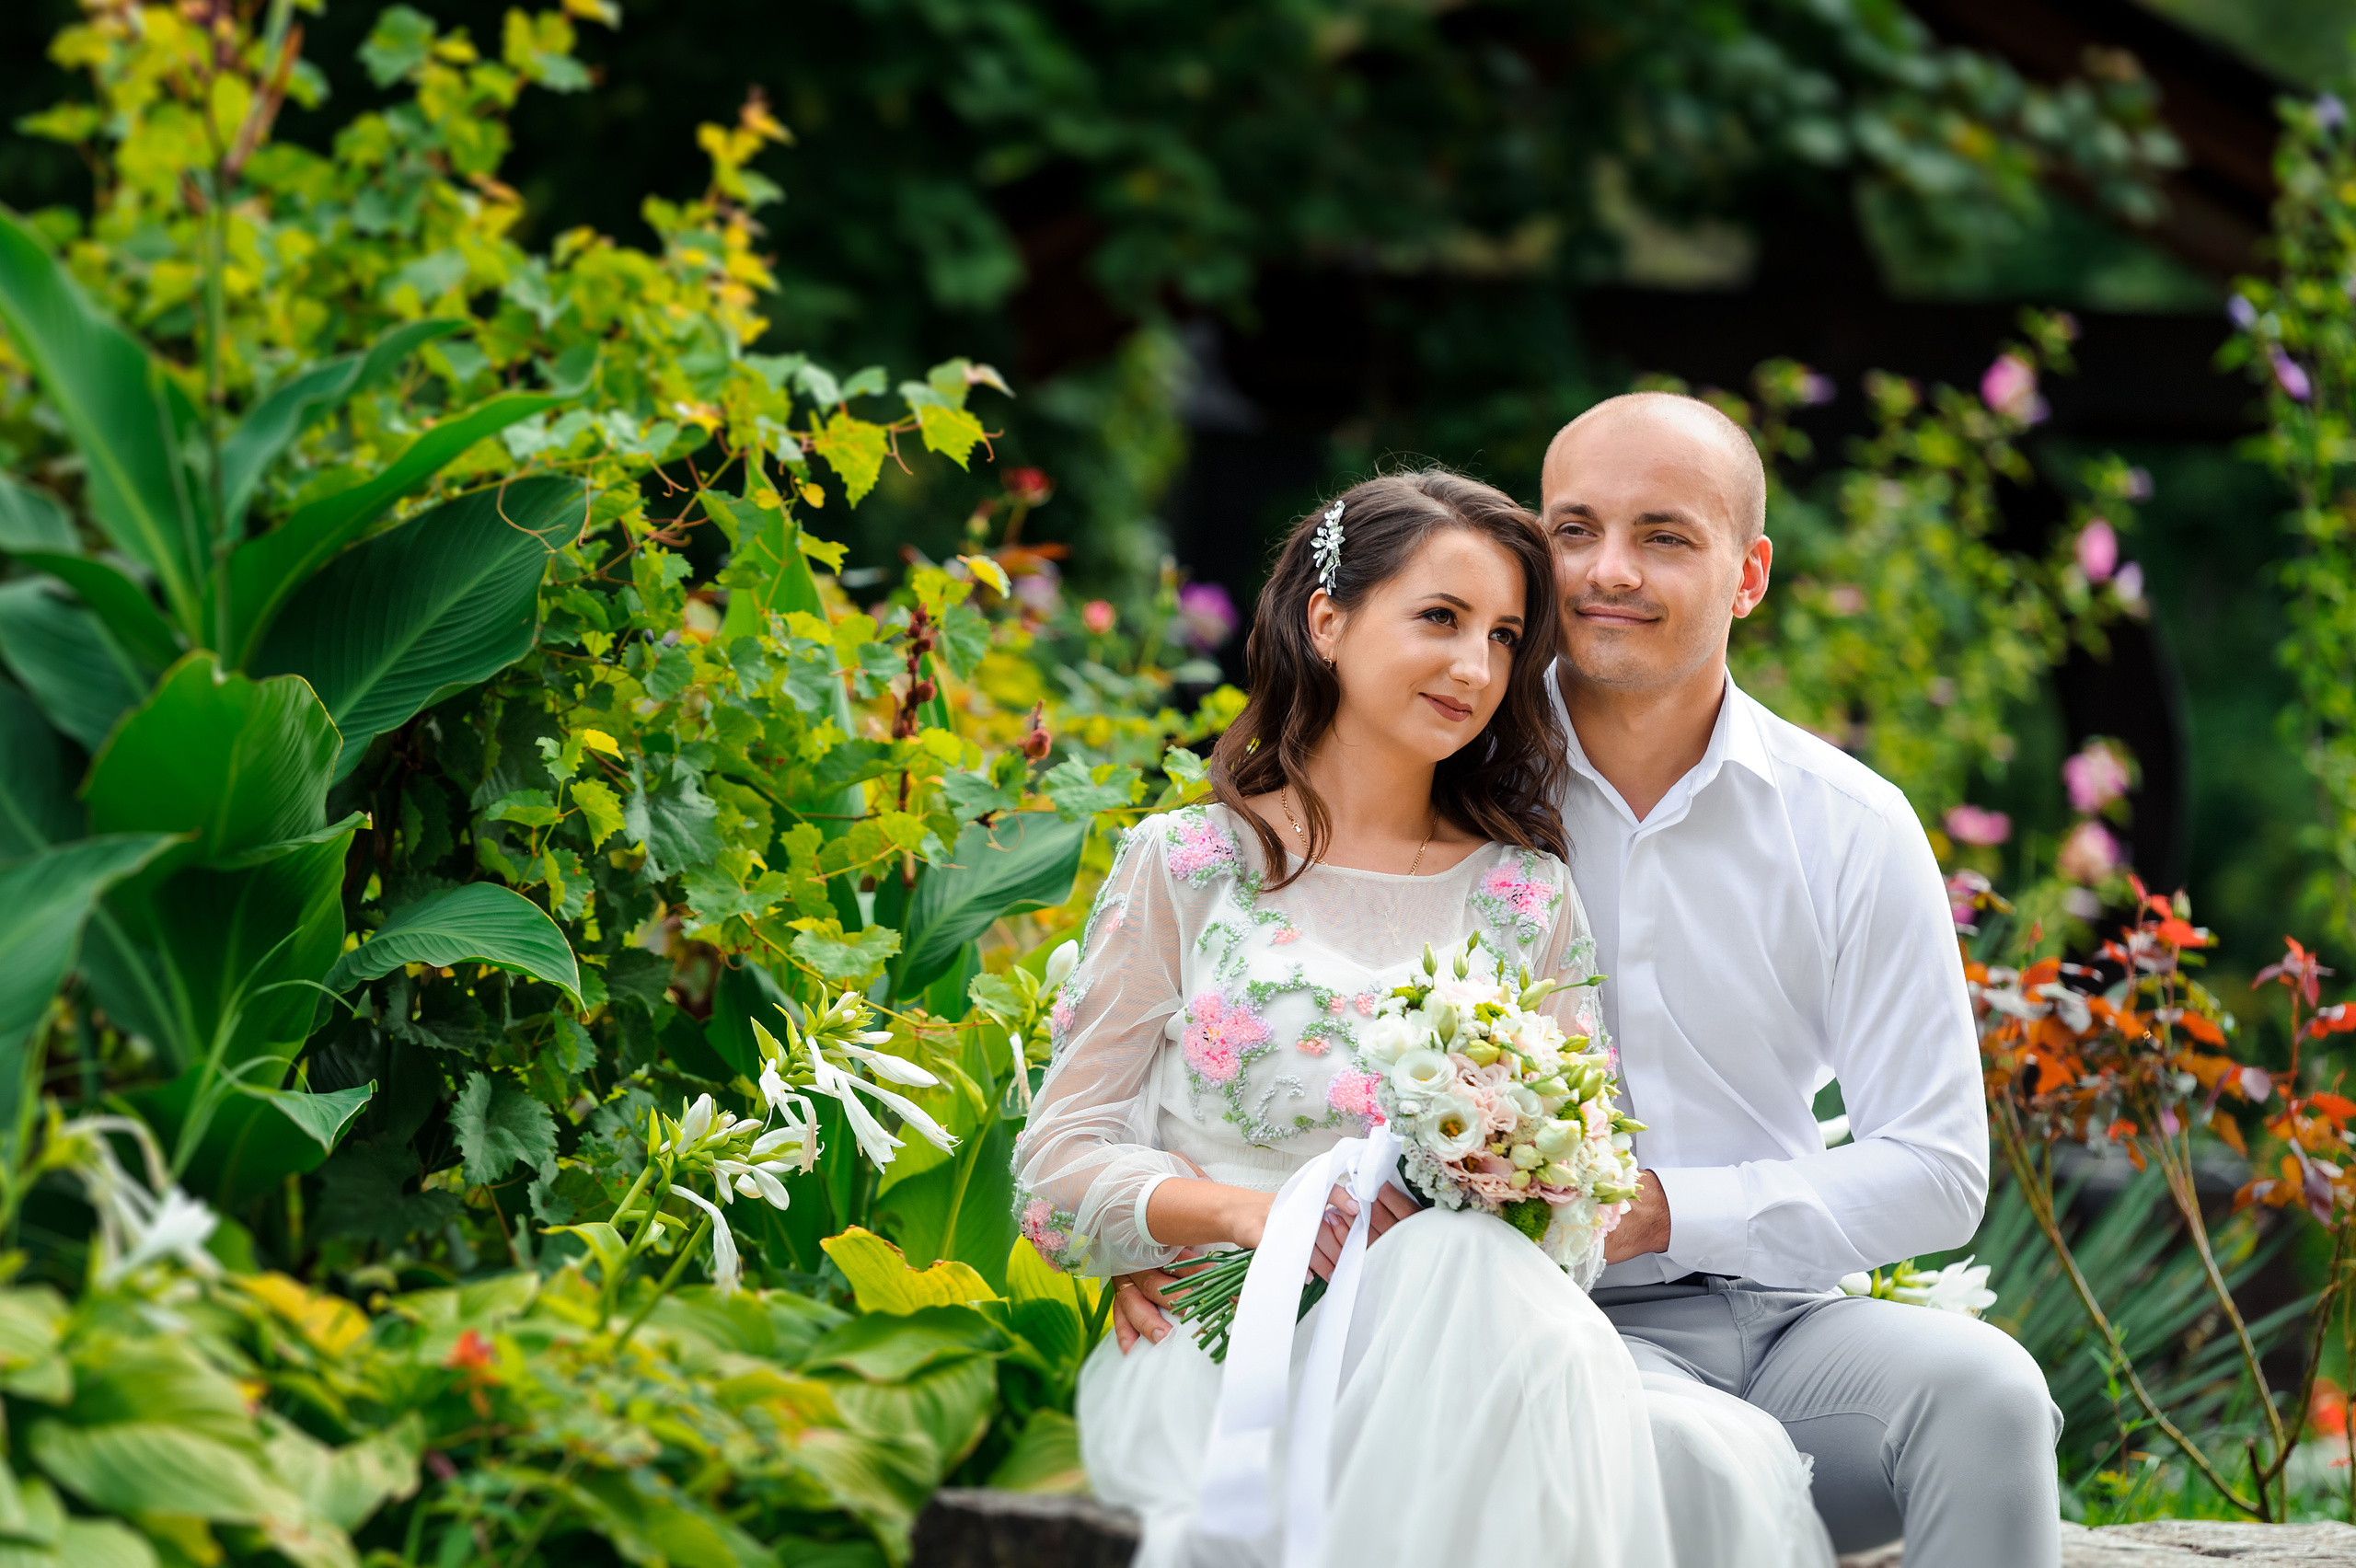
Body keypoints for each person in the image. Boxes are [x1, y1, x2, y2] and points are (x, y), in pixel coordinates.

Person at [1012, 469, 1833, 1568]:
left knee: (1691, 1451)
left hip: (1474, 1351)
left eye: (1502, 638)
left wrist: (1499, 1190)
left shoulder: (1524, 893)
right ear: (1327, 619)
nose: (1473, 668)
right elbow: (1053, 1171)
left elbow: (1583, 1212)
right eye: (1440, 619)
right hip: (1242, 1352)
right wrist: (1243, 1220)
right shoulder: (1189, 863)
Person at [1538, 392, 2064, 1568]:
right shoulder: (1452, 791)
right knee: (1675, 1450)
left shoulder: (1850, 824)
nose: (1605, 571)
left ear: (1749, 575)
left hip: (1784, 1326)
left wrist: (1668, 1211)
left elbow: (1936, 1170)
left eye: (1662, 535)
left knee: (1991, 1394)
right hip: (1538, 1324)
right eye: (1572, 531)